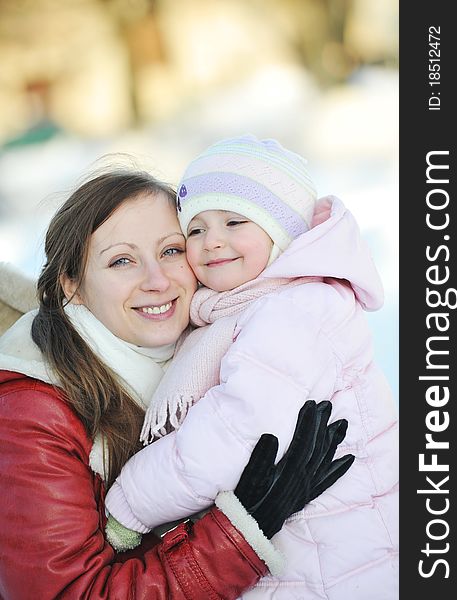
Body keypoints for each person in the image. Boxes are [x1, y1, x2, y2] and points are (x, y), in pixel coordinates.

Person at [0, 170, 354, 600]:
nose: (158, 280)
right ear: (71, 285)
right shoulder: (31, 414)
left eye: (170, 250)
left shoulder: (218, 351)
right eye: (121, 261)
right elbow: (73, 593)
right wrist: (238, 536)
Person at [104, 135, 399, 599]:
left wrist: (129, 504)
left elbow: (236, 434)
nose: (212, 241)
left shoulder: (295, 311)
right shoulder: (241, 310)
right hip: (305, 552)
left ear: (281, 232)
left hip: (340, 562)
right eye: (195, 229)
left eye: (234, 221)